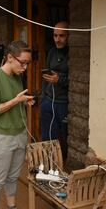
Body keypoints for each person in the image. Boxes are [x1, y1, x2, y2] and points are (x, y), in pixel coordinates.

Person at [0, 40, 35, 209]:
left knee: (13, 177)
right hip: (2, 137)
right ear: (10, 58)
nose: (25, 67)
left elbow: (14, 100)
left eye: (28, 63)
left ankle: (12, 207)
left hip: (19, 134)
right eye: (23, 63)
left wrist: (24, 102)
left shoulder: (17, 77)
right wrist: (15, 100)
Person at [40, 21, 69, 160]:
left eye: (62, 36)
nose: (58, 39)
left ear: (69, 35)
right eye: (55, 35)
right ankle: (48, 166)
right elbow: (46, 73)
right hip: (48, 100)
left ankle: (61, 166)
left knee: (63, 138)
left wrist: (60, 80)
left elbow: (78, 80)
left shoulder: (73, 53)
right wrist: (43, 95)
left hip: (63, 103)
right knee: (47, 136)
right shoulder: (51, 51)